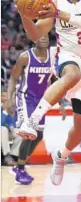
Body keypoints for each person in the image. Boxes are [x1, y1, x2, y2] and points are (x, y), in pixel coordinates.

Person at [15, 0, 81, 186]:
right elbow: (36, 34)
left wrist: (59, 14)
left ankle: (61, 156)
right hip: (67, 56)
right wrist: (24, 14)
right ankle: (32, 121)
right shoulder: (53, 3)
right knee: (71, 74)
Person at [6, 36, 56, 185]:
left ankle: (18, 164)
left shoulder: (52, 57)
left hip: (41, 100)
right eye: (39, 35)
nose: (42, 38)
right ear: (34, 39)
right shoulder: (25, 57)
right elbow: (13, 79)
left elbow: (54, 81)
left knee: (39, 135)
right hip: (25, 98)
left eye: (46, 36)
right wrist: (9, 99)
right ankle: (20, 169)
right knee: (29, 133)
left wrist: (59, 101)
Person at [1, 90, 22, 166]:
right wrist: (4, 111)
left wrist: (11, 126)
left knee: (19, 132)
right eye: (3, 96)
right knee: (3, 129)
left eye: (6, 96)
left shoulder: (11, 108)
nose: (5, 98)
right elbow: (1, 122)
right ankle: (6, 155)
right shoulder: (3, 108)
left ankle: (13, 155)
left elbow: (12, 122)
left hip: (8, 132)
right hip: (2, 131)